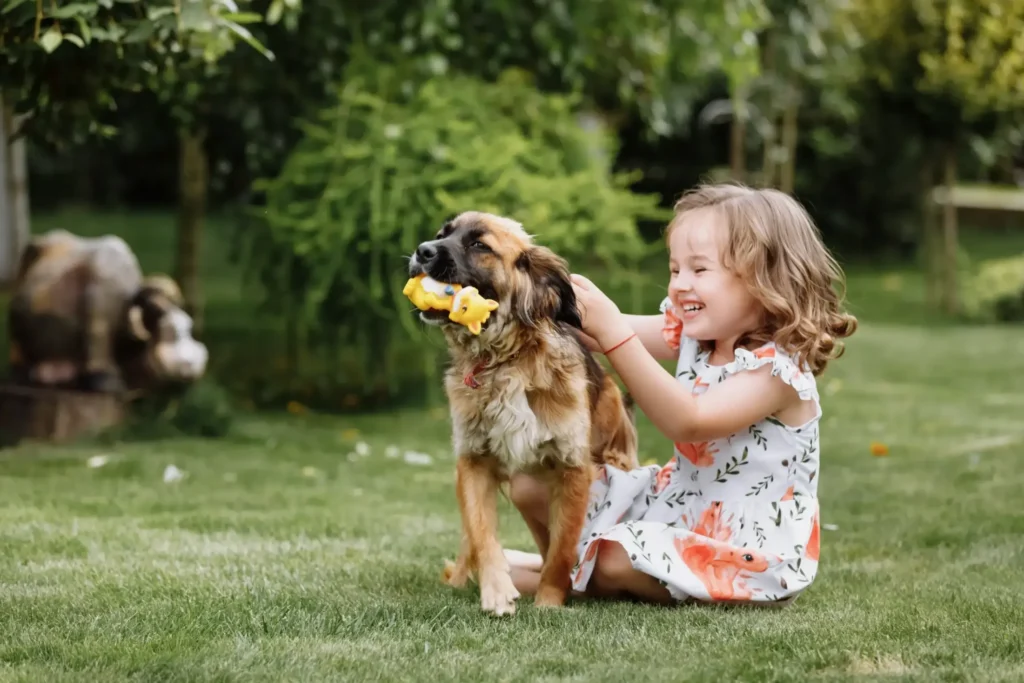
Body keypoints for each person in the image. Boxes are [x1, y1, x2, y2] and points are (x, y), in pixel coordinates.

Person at [506, 182, 858, 606]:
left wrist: (615, 331)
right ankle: (560, 570)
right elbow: (599, 334)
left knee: (618, 560)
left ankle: (560, 577)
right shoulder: (697, 335)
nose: (680, 285)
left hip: (746, 551)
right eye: (675, 270)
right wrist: (534, 298)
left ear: (765, 280)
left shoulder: (776, 371)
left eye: (699, 269)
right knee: (532, 483)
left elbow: (688, 421)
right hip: (674, 505)